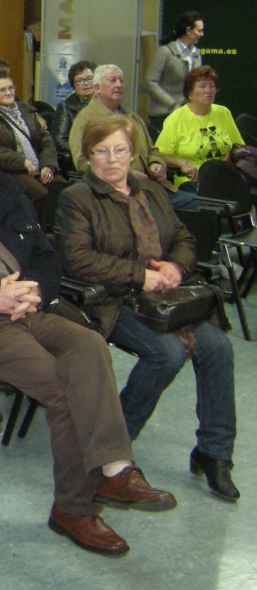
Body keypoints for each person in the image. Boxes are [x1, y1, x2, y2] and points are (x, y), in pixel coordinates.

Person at [0, 111, 178, 557]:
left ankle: (115, 468)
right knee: (60, 386)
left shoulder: (13, 193)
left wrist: (33, 291)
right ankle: (74, 508)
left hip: (29, 309)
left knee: (90, 345)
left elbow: (48, 257)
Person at [56, 114, 238, 500]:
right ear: (87, 156)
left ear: (133, 153)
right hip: (113, 298)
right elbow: (76, 259)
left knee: (218, 348)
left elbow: (184, 237)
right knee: (166, 353)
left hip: (169, 298)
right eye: (101, 151)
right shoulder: (77, 199)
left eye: (120, 150)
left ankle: (214, 453)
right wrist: (140, 275)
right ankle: (112, 450)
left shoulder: (151, 190)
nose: (112, 159)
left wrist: (175, 266)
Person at [70, 64, 198, 211]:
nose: (118, 84)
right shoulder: (86, 120)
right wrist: (126, 174)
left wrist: (156, 163)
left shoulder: (132, 118)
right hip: (115, 191)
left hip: (150, 186)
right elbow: (82, 162)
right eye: (112, 80)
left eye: (121, 80)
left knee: (199, 204)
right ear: (97, 88)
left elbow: (152, 151)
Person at [0, 70, 59, 225]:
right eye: (1, 90)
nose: (8, 92)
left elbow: (46, 140)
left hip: (37, 165)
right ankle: (37, 235)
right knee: (39, 193)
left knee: (62, 188)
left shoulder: (27, 111)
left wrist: (48, 165)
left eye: (10, 88)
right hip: (10, 170)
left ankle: (58, 235)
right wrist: (21, 161)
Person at [155, 65, 243, 185]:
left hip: (223, 176)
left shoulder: (223, 113)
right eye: (202, 86)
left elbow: (238, 146)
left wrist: (231, 157)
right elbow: (159, 153)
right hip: (192, 179)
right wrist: (182, 163)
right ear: (189, 93)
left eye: (212, 86)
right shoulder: (176, 119)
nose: (208, 91)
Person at [145, 11, 204, 133]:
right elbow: (150, 82)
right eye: (199, 30)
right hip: (162, 115)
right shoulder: (164, 52)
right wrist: (172, 104)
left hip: (186, 114)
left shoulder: (196, 54)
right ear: (188, 31)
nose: (202, 34)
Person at [50, 61, 96, 175]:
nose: (86, 83)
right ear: (73, 86)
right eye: (80, 81)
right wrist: (87, 152)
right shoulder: (66, 107)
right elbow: (59, 141)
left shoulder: (106, 104)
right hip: (81, 160)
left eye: (90, 78)